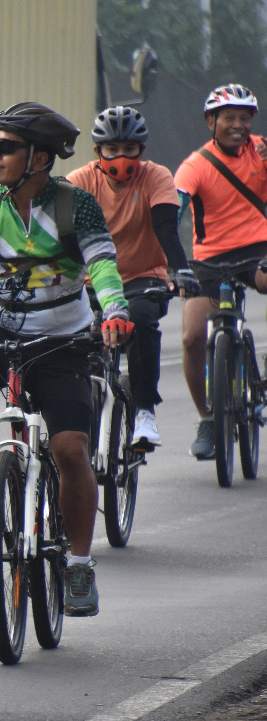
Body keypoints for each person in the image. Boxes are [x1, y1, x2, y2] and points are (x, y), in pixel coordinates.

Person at [0, 102, 132, 618]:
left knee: (70, 449)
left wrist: (114, 310)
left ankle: (79, 565)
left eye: (6, 146)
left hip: (62, 338)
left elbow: (102, 263)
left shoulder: (75, 205)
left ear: (39, 158)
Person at [67, 106, 198, 450]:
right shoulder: (79, 182)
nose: (121, 157)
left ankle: (144, 412)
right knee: (73, 339)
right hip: (90, 282)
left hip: (142, 278)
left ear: (142, 149)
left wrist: (182, 270)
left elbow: (166, 228)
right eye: (112, 149)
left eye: (129, 149)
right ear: (97, 150)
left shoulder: (156, 177)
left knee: (139, 322)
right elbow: (59, 237)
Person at [173, 84, 267, 459]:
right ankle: (208, 420)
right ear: (211, 121)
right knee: (192, 337)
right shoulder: (195, 166)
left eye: (245, 117)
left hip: (257, 251)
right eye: (229, 117)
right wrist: (169, 263)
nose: (237, 125)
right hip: (210, 259)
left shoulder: (262, 152)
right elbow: (173, 209)